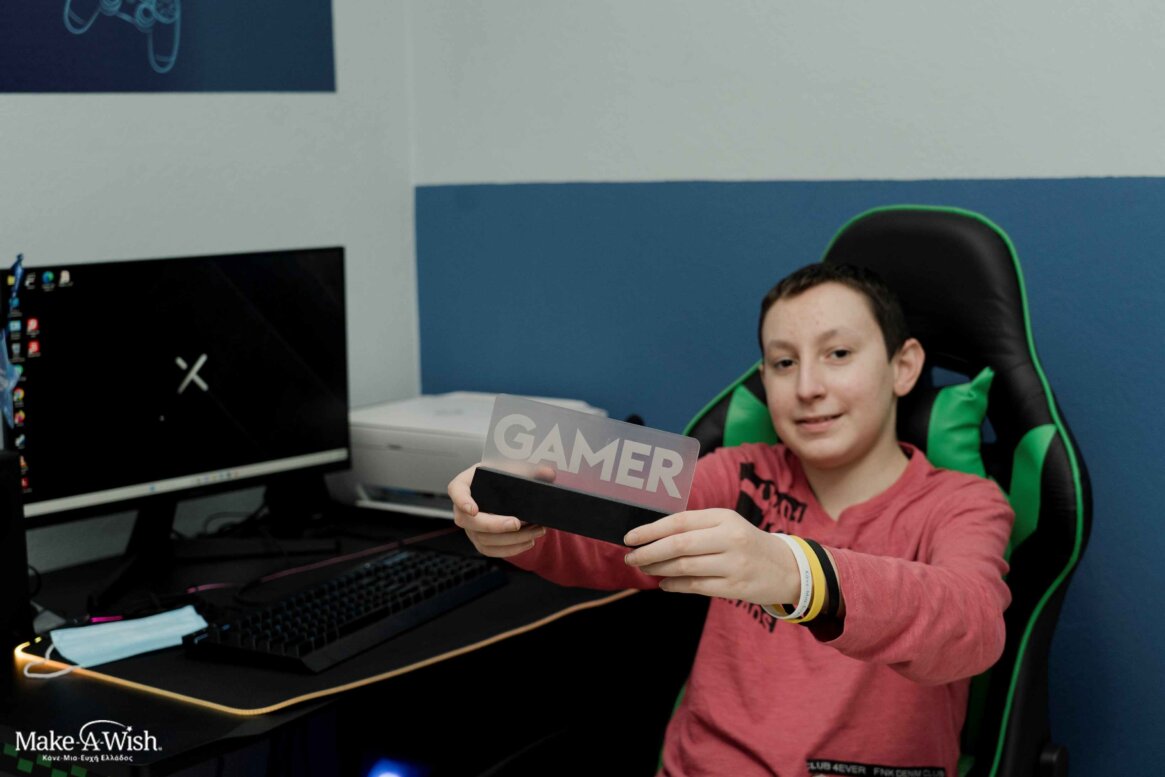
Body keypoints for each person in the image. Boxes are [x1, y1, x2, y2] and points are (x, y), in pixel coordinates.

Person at [448, 263, 1014, 777]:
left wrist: (792, 571)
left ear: (903, 366)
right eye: (784, 363)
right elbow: (603, 535)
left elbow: (974, 626)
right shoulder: (737, 475)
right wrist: (519, 507)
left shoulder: (964, 503)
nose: (808, 387)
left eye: (838, 354)